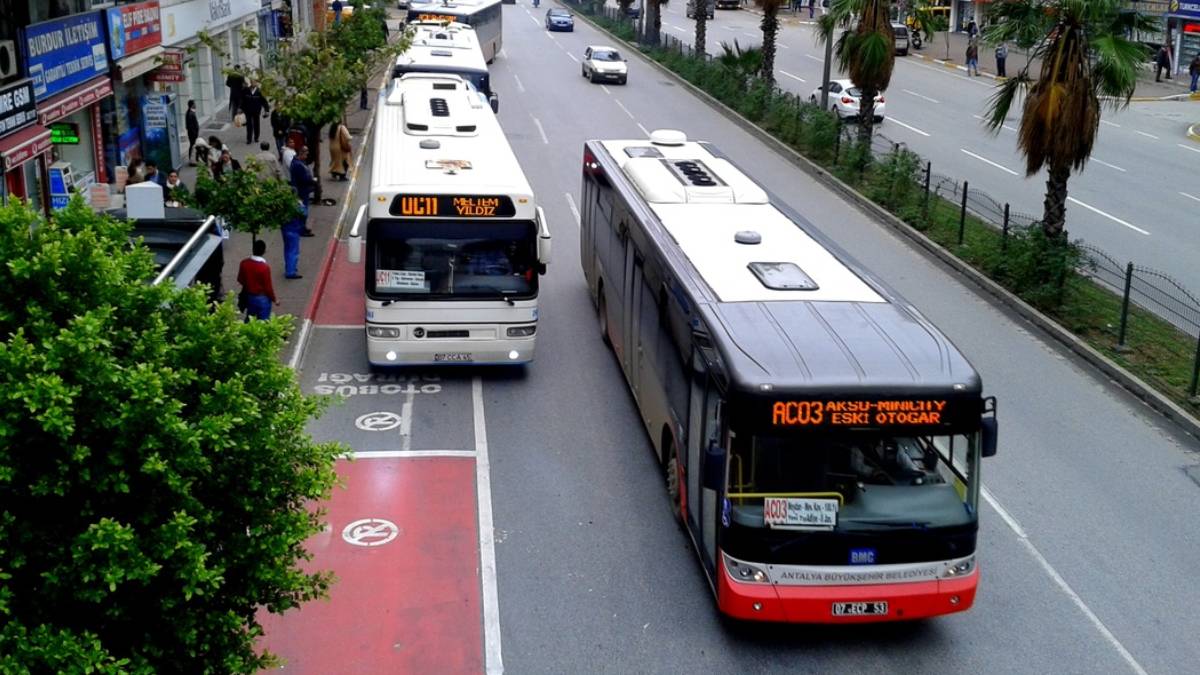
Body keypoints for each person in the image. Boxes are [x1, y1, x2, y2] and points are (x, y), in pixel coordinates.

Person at [237, 239, 279, 320]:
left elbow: (240, 279)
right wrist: (275, 299)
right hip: (262, 298)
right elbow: (268, 287)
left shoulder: (244, 263)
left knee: (250, 319)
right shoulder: (264, 267)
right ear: (264, 251)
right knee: (264, 321)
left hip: (249, 296)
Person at [289, 146, 316, 239]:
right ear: (301, 153)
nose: (307, 156)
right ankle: (301, 229)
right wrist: (312, 180)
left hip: (302, 190)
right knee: (303, 211)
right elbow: (304, 179)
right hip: (301, 191)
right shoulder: (298, 165)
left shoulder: (298, 162)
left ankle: (303, 227)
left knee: (302, 211)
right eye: (306, 154)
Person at [185, 100, 200, 165]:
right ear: (192, 105)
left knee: (192, 145)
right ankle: (192, 160)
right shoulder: (190, 114)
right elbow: (190, 126)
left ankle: (193, 159)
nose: (195, 105)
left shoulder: (190, 112)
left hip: (192, 133)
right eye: (194, 104)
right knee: (193, 145)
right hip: (192, 134)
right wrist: (195, 133)